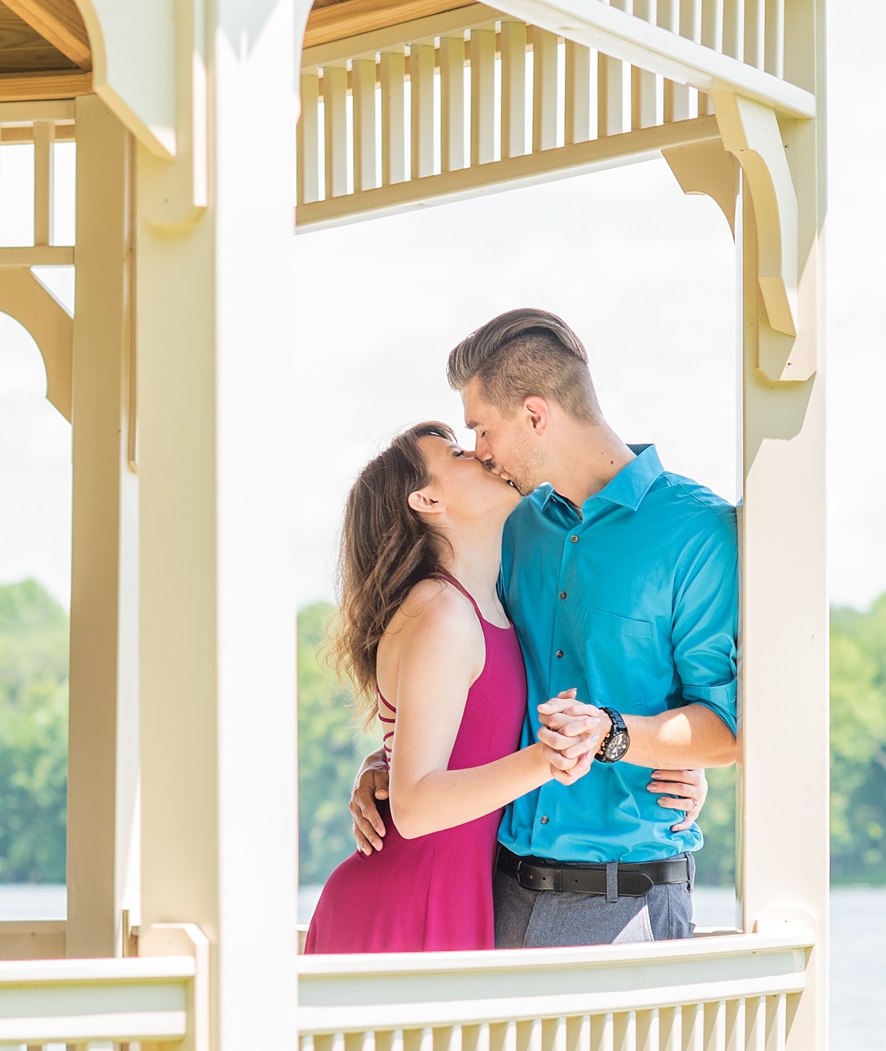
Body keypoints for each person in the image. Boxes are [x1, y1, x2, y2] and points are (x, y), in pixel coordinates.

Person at [351, 307, 738, 946]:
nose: (479, 452)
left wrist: (620, 737)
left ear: (535, 415)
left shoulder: (698, 533)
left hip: (625, 902)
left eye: (481, 429)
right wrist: (388, 759)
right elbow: (467, 683)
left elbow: (730, 729)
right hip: (492, 892)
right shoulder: (512, 526)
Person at [305, 421, 592, 953]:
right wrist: (550, 758)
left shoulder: (482, 606)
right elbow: (413, 809)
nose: (482, 455)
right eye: (458, 452)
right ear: (427, 498)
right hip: (403, 905)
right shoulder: (443, 613)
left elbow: (461, 739)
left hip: (446, 898)